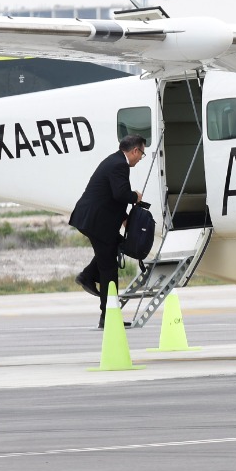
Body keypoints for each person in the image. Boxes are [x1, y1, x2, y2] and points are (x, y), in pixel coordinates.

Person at [69, 134, 148, 329]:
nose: (140, 159)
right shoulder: (119, 165)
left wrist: (123, 218)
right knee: (109, 268)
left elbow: (113, 197)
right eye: (142, 154)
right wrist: (135, 197)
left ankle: (87, 276)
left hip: (97, 220)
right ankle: (108, 316)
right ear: (135, 151)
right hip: (96, 222)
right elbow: (120, 194)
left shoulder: (115, 161)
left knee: (111, 250)